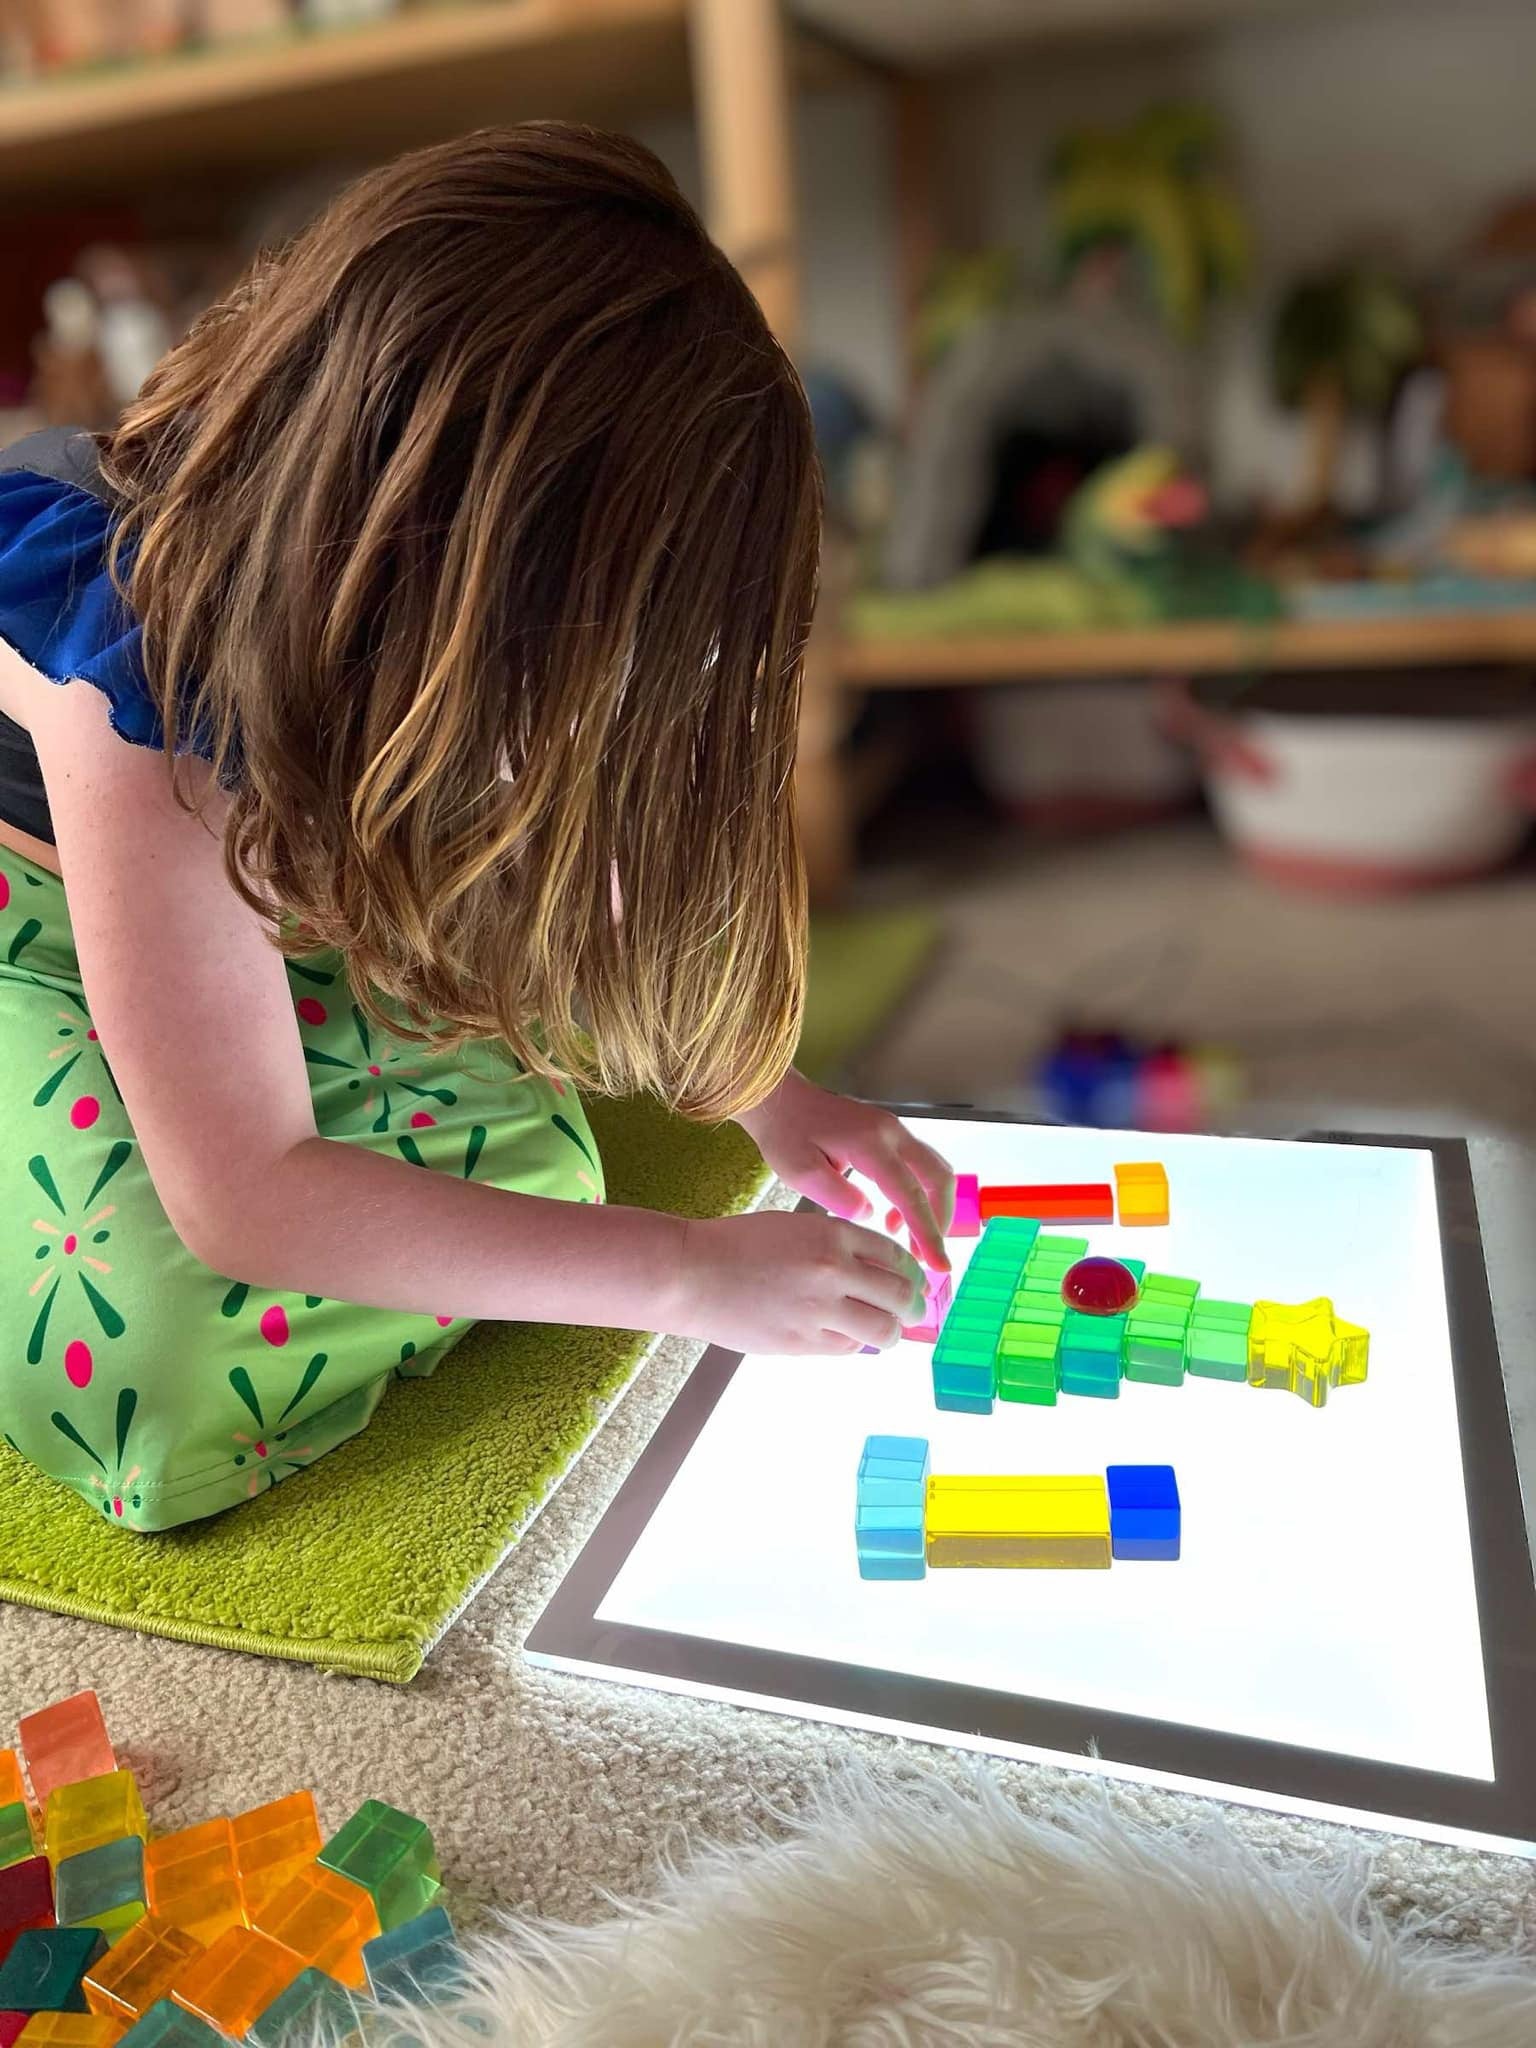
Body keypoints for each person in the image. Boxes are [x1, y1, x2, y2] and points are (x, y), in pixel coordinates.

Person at [0, 125, 952, 1533]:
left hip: (268, 889)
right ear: (433, 570)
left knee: (548, 1171)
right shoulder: (131, 669)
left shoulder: (432, 646)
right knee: (163, 1357)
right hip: (48, 932)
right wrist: (688, 1273)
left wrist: (768, 1094)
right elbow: (246, 1202)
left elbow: (598, 874)